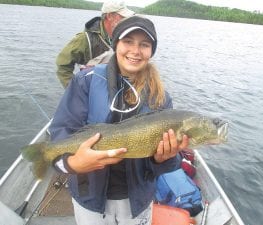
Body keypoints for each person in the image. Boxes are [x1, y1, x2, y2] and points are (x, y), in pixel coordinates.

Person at [49, 16, 189, 225]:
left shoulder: (161, 98)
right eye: (128, 41)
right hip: (89, 198)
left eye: (144, 44)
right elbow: (61, 132)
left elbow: (167, 166)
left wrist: (164, 159)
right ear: (116, 45)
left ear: (151, 51)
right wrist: (74, 163)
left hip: (136, 201)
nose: (135, 50)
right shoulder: (85, 81)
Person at [56, 0, 135, 88]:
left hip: (117, 90)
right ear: (109, 16)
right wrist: (75, 90)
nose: (126, 20)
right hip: (93, 91)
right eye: (122, 16)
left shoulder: (124, 37)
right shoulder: (84, 39)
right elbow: (62, 65)